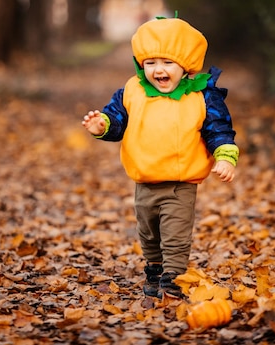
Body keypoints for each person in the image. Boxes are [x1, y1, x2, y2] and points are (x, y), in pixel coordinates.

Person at [82, 16, 239, 298]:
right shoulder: (133, 91)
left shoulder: (201, 96)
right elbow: (117, 120)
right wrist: (102, 125)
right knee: (149, 233)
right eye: (151, 63)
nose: (158, 70)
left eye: (167, 62)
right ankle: (154, 267)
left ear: (185, 65)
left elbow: (218, 128)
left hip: (181, 183)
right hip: (145, 180)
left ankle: (174, 276)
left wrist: (225, 156)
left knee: (175, 234)